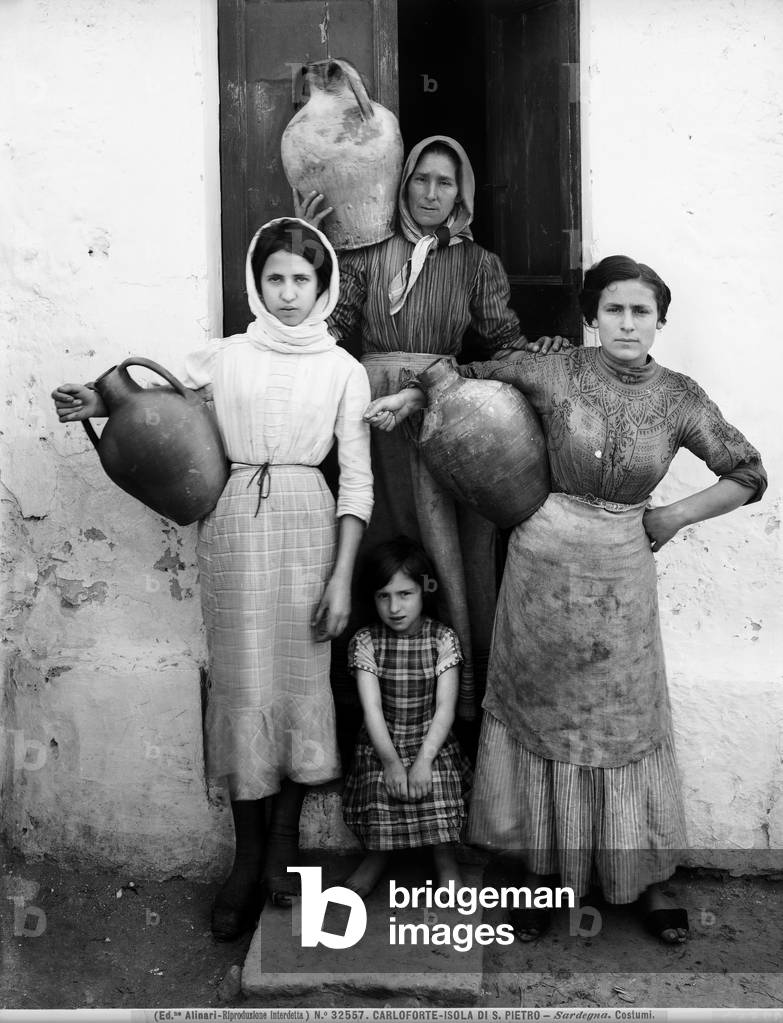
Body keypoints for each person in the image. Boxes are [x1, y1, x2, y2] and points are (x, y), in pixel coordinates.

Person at [364, 255, 767, 943]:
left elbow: (747, 471)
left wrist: (672, 516)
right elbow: (461, 374)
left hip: (621, 571)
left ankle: (638, 877)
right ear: (591, 315)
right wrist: (409, 396)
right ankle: (543, 872)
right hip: (542, 565)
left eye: (641, 311)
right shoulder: (554, 369)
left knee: (624, 720)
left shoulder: (679, 397)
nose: (627, 322)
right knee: (542, 711)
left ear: (659, 321)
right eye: (614, 309)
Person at [51, 218, 373, 940]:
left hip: (307, 527)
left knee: (299, 680)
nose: (287, 293)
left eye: (302, 279)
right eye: (275, 278)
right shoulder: (225, 357)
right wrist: (96, 403)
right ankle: (246, 852)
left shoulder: (342, 370)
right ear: (255, 284)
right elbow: (152, 400)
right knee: (240, 681)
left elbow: (356, 481)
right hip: (232, 526)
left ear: (323, 287)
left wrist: (343, 577)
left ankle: (283, 843)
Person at [298, 134, 562, 739]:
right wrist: (312, 248)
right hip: (372, 416)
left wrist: (545, 352)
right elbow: (327, 332)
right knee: (379, 537)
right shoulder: (366, 257)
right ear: (403, 183)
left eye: (445, 183)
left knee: (448, 551)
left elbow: (504, 345)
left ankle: (460, 710)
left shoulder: (476, 263)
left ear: (460, 193)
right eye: (421, 179)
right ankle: (365, 708)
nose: (431, 193)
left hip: (443, 415)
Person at [341, 536, 472, 897]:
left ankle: (445, 859)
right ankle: (377, 856)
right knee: (381, 789)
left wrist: (425, 759)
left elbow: (445, 708)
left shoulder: (442, 639)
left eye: (404, 594)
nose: (394, 607)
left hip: (432, 740)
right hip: (383, 741)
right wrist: (391, 762)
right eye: (384, 596)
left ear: (424, 591)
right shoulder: (367, 641)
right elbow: (372, 709)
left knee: (439, 786)